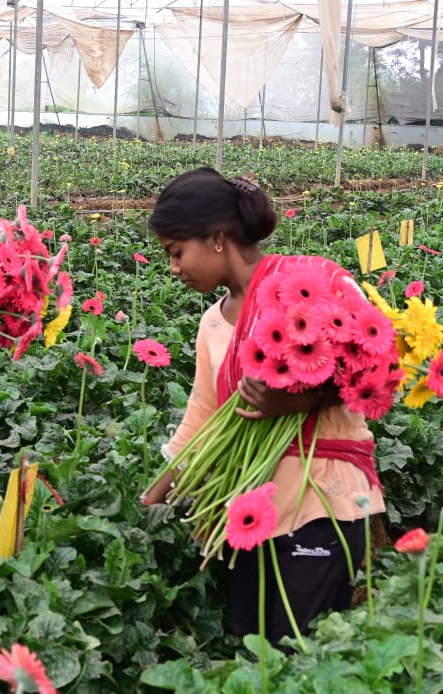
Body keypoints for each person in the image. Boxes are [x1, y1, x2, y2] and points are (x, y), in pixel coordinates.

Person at [140, 167, 385, 645]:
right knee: (254, 656)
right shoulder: (212, 323)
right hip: (248, 510)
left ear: (216, 238)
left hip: (321, 505)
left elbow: (372, 371)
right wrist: (156, 494)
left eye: (176, 252)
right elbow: (201, 421)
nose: (174, 269)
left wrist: (304, 397)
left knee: (300, 658)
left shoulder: (312, 283)